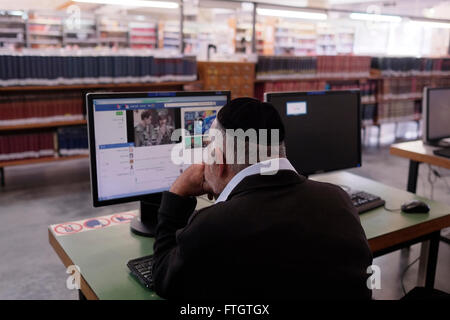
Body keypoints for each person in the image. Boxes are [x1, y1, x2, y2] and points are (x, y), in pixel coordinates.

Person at [152, 98, 373, 300]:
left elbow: (164, 279)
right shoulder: (338, 199)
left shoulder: (212, 225)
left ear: (219, 162)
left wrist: (177, 193)